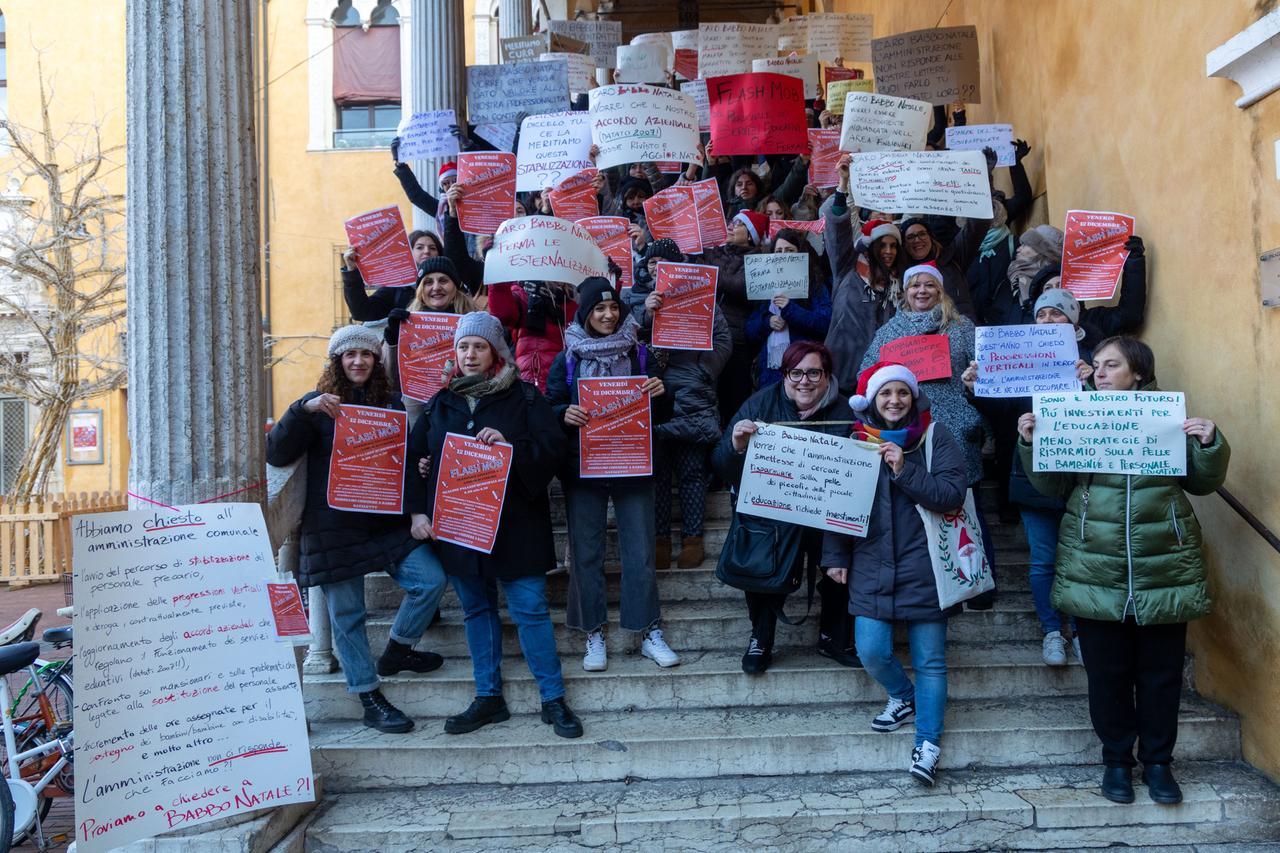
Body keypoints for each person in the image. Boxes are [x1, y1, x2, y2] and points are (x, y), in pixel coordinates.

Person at [1016, 336, 1229, 805]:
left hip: (1162, 570)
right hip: (1094, 568)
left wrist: (1210, 443)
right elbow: (1051, 485)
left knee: (1161, 675)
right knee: (1107, 675)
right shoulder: (1074, 415)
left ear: (1138, 372)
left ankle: (1158, 764)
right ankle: (1116, 761)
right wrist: (1031, 443)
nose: (1100, 373)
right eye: (1096, 366)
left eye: (1111, 365)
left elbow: (1203, 482)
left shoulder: (1168, 418)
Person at [406, 312, 583, 739]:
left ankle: (553, 698)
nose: (470, 354)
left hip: (516, 527)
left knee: (530, 610)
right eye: (464, 346)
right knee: (477, 611)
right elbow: (415, 460)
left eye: (479, 346)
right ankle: (488, 698)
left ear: (495, 352)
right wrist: (419, 501)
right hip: (462, 528)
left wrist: (511, 447)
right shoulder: (439, 402)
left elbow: (553, 449)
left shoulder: (524, 397)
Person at [266, 325, 447, 733]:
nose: (358, 362)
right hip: (333, 526)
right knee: (347, 615)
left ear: (376, 361)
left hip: (386, 522)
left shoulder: (394, 405)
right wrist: (303, 409)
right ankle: (368, 694)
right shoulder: (318, 408)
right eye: (349, 356)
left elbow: (405, 459)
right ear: (337, 362)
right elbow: (276, 451)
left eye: (365, 355)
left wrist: (416, 467)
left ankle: (398, 649)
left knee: (431, 580)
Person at [823, 361, 969, 786]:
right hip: (870, 563)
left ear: (913, 397)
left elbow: (950, 494)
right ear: (871, 400)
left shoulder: (934, 436)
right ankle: (903, 697)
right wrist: (836, 556)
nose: (894, 401)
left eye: (902, 393)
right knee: (870, 650)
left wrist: (905, 469)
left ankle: (928, 744)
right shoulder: (853, 439)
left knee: (931, 662)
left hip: (927, 566)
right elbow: (836, 503)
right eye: (885, 393)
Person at [545, 278, 680, 672]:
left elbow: (665, 412)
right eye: (599, 310)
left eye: (614, 309)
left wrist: (662, 392)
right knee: (586, 553)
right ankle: (594, 633)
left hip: (632, 465)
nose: (608, 315)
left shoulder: (639, 355)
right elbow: (550, 406)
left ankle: (647, 631)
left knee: (639, 552)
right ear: (584, 314)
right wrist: (561, 414)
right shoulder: (566, 358)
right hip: (582, 469)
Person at [962, 288, 1094, 665]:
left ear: (1074, 321)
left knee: (1084, 558)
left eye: (1057, 314)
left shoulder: (1094, 362)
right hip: (1032, 475)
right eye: (1042, 315)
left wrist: (1091, 382)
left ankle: (1084, 632)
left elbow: (1114, 411)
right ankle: (1053, 631)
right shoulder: (1022, 357)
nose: (1049, 321)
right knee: (1043, 560)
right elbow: (1001, 408)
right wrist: (976, 387)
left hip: (1082, 477)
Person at [713, 342, 862, 674]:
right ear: (784, 375)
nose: (804, 381)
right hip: (774, 515)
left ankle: (833, 636)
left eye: (813, 372)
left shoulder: (846, 411)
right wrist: (736, 446)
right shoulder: (761, 402)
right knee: (763, 560)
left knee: (847, 556)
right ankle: (761, 637)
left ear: (827, 375)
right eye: (796, 373)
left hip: (827, 514)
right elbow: (720, 464)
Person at [629, 242, 733, 570]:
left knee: (690, 471)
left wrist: (703, 371)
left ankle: (692, 538)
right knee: (658, 473)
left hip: (692, 394)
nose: (655, 268)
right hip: (652, 395)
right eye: (651, 263)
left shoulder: (703, 301)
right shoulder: (635, 299)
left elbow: (724, 340)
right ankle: (660, 538)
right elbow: (621, 336)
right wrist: (647, 312)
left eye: (663, 262)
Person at [824, 156, 905, 391]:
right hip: (842, 372)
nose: (888, 251)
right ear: (870, 246)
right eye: (882, 245)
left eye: (893, 245)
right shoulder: (847, 266)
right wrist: (843, 183)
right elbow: (838, 226)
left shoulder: (899, 283)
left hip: (885, 377)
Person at [897, 148, 999, 321]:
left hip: (960, 334)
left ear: (930, 237)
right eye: (911, 237)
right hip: (921, 343)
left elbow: (978, 223)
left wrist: (984, 175)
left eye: (922, 234)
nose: (918, 240)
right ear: (904, 245)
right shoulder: (899, 269)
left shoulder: (953, 257)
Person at [383, 256, 478, 424]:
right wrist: (393, 341)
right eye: (428, 282)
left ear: (455, 286)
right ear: (420, 289)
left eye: (443, 280)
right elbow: (392, 382)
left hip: (464, 408)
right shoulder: (405, 323)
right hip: (418, 411)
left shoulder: (475, 320)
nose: (436, 287)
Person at [744, 229, 832, 388]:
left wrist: (790, 309)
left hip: (802, 369)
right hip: (769, 373)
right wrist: (767, 322)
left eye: (789, 251)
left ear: (800, 254)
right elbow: (750, 330)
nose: (783, 255)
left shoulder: (814, 285)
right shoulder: (764, 286)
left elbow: (824, 323)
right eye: (779, 251)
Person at [703, 209, 767, 425]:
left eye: (739, 224)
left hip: (737, 341)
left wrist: (708, 275)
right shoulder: (716, 252)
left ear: (750, 234)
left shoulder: (760, 259)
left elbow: (743, 287)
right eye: (732, 222)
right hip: (706, 337)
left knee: (732, 399)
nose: (730, 226)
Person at [341, 229, 444, 321]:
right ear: (408, 252)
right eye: (419, 247)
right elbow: (362, 312)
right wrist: (352, 271)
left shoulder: (450, 284)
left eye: (432, 248)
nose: (427, 251)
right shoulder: (397, 287)